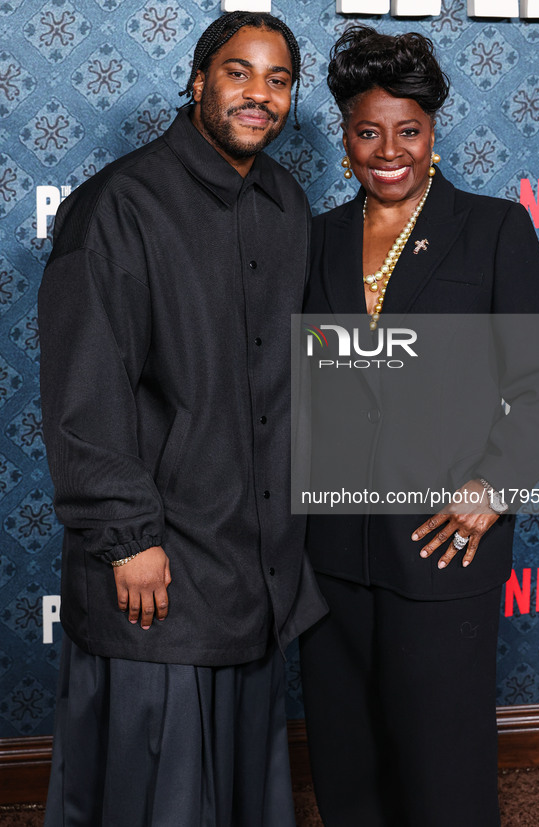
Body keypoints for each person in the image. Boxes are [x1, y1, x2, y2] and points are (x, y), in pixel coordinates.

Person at [39, 11, 326, 827]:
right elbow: (83, 393)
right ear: (198, 79)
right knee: (153, 792)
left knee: (238, 784)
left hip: (253, 555)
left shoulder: (284, 202)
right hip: (156, 560)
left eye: (277, 81)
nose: (259, 96)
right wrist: (128, 536)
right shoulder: (116, 206)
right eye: (239, 73)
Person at [298, 26, 539, 827]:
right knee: (347, 765)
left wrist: (493, 486)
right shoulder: (315, 239)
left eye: (408, 130)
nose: (388, 150)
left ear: (433, 132)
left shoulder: (493, 228)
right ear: (345, 135)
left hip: (441, 543)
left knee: (441, 769)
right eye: (366, 130)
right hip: (332, 549)